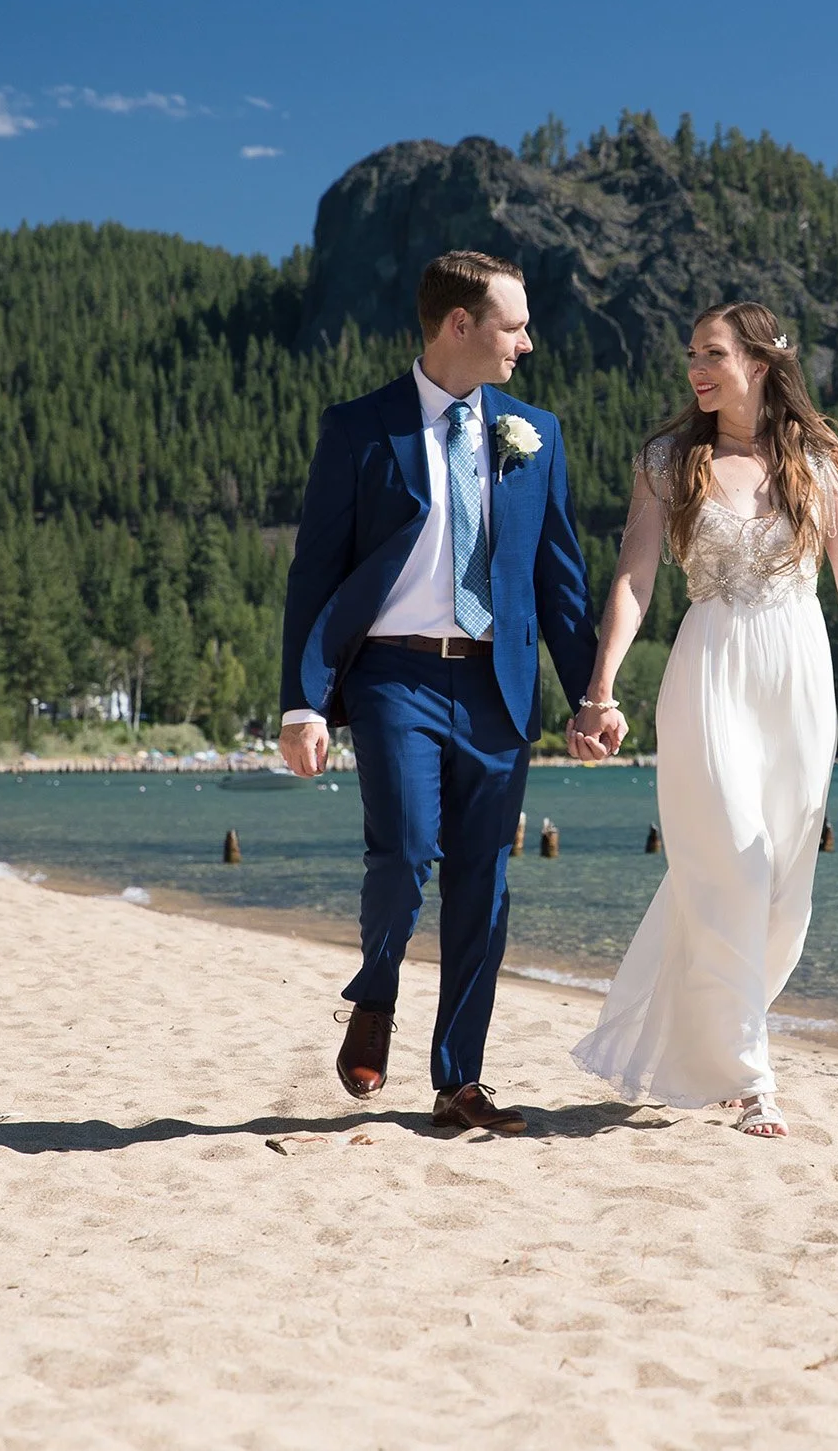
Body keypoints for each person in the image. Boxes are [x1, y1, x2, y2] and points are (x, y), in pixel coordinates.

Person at [567, 300, 838, 1137]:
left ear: (758, 363)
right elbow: (634, 578)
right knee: (733, 860)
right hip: (709, 669)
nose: (696, 367)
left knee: (785, 889)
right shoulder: (668, 459)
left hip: (797, 677)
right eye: (692, 353)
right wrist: (600, 687)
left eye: (713, 353)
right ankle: (755, 1078)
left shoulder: (816, 457)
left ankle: (722, 1042)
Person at [278, 250, 599, 1137]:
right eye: (513, 326)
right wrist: (302, 702)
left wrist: (592, 692)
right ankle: (376, 990)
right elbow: (315, 573)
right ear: (461, 324)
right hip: (394, 676)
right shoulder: (359, 428)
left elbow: (561, 579)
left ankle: (459, 1080)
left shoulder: (535, 433)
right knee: (406, 850)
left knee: (484, 883)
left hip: (500, 683)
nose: (527, 343)